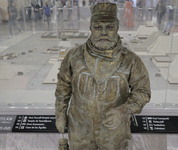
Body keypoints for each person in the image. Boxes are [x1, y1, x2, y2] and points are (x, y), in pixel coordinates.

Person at [55, 3, 151, 150]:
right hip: (80, 129)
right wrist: (60, 115)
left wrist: (123, 111)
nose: (104, 33)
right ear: (90, 28)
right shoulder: (74, 57)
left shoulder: (131, 60)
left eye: (110, 27)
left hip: (114, 132)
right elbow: (63, 88)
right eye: (98, 27)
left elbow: (143, 92)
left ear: (117, 28)